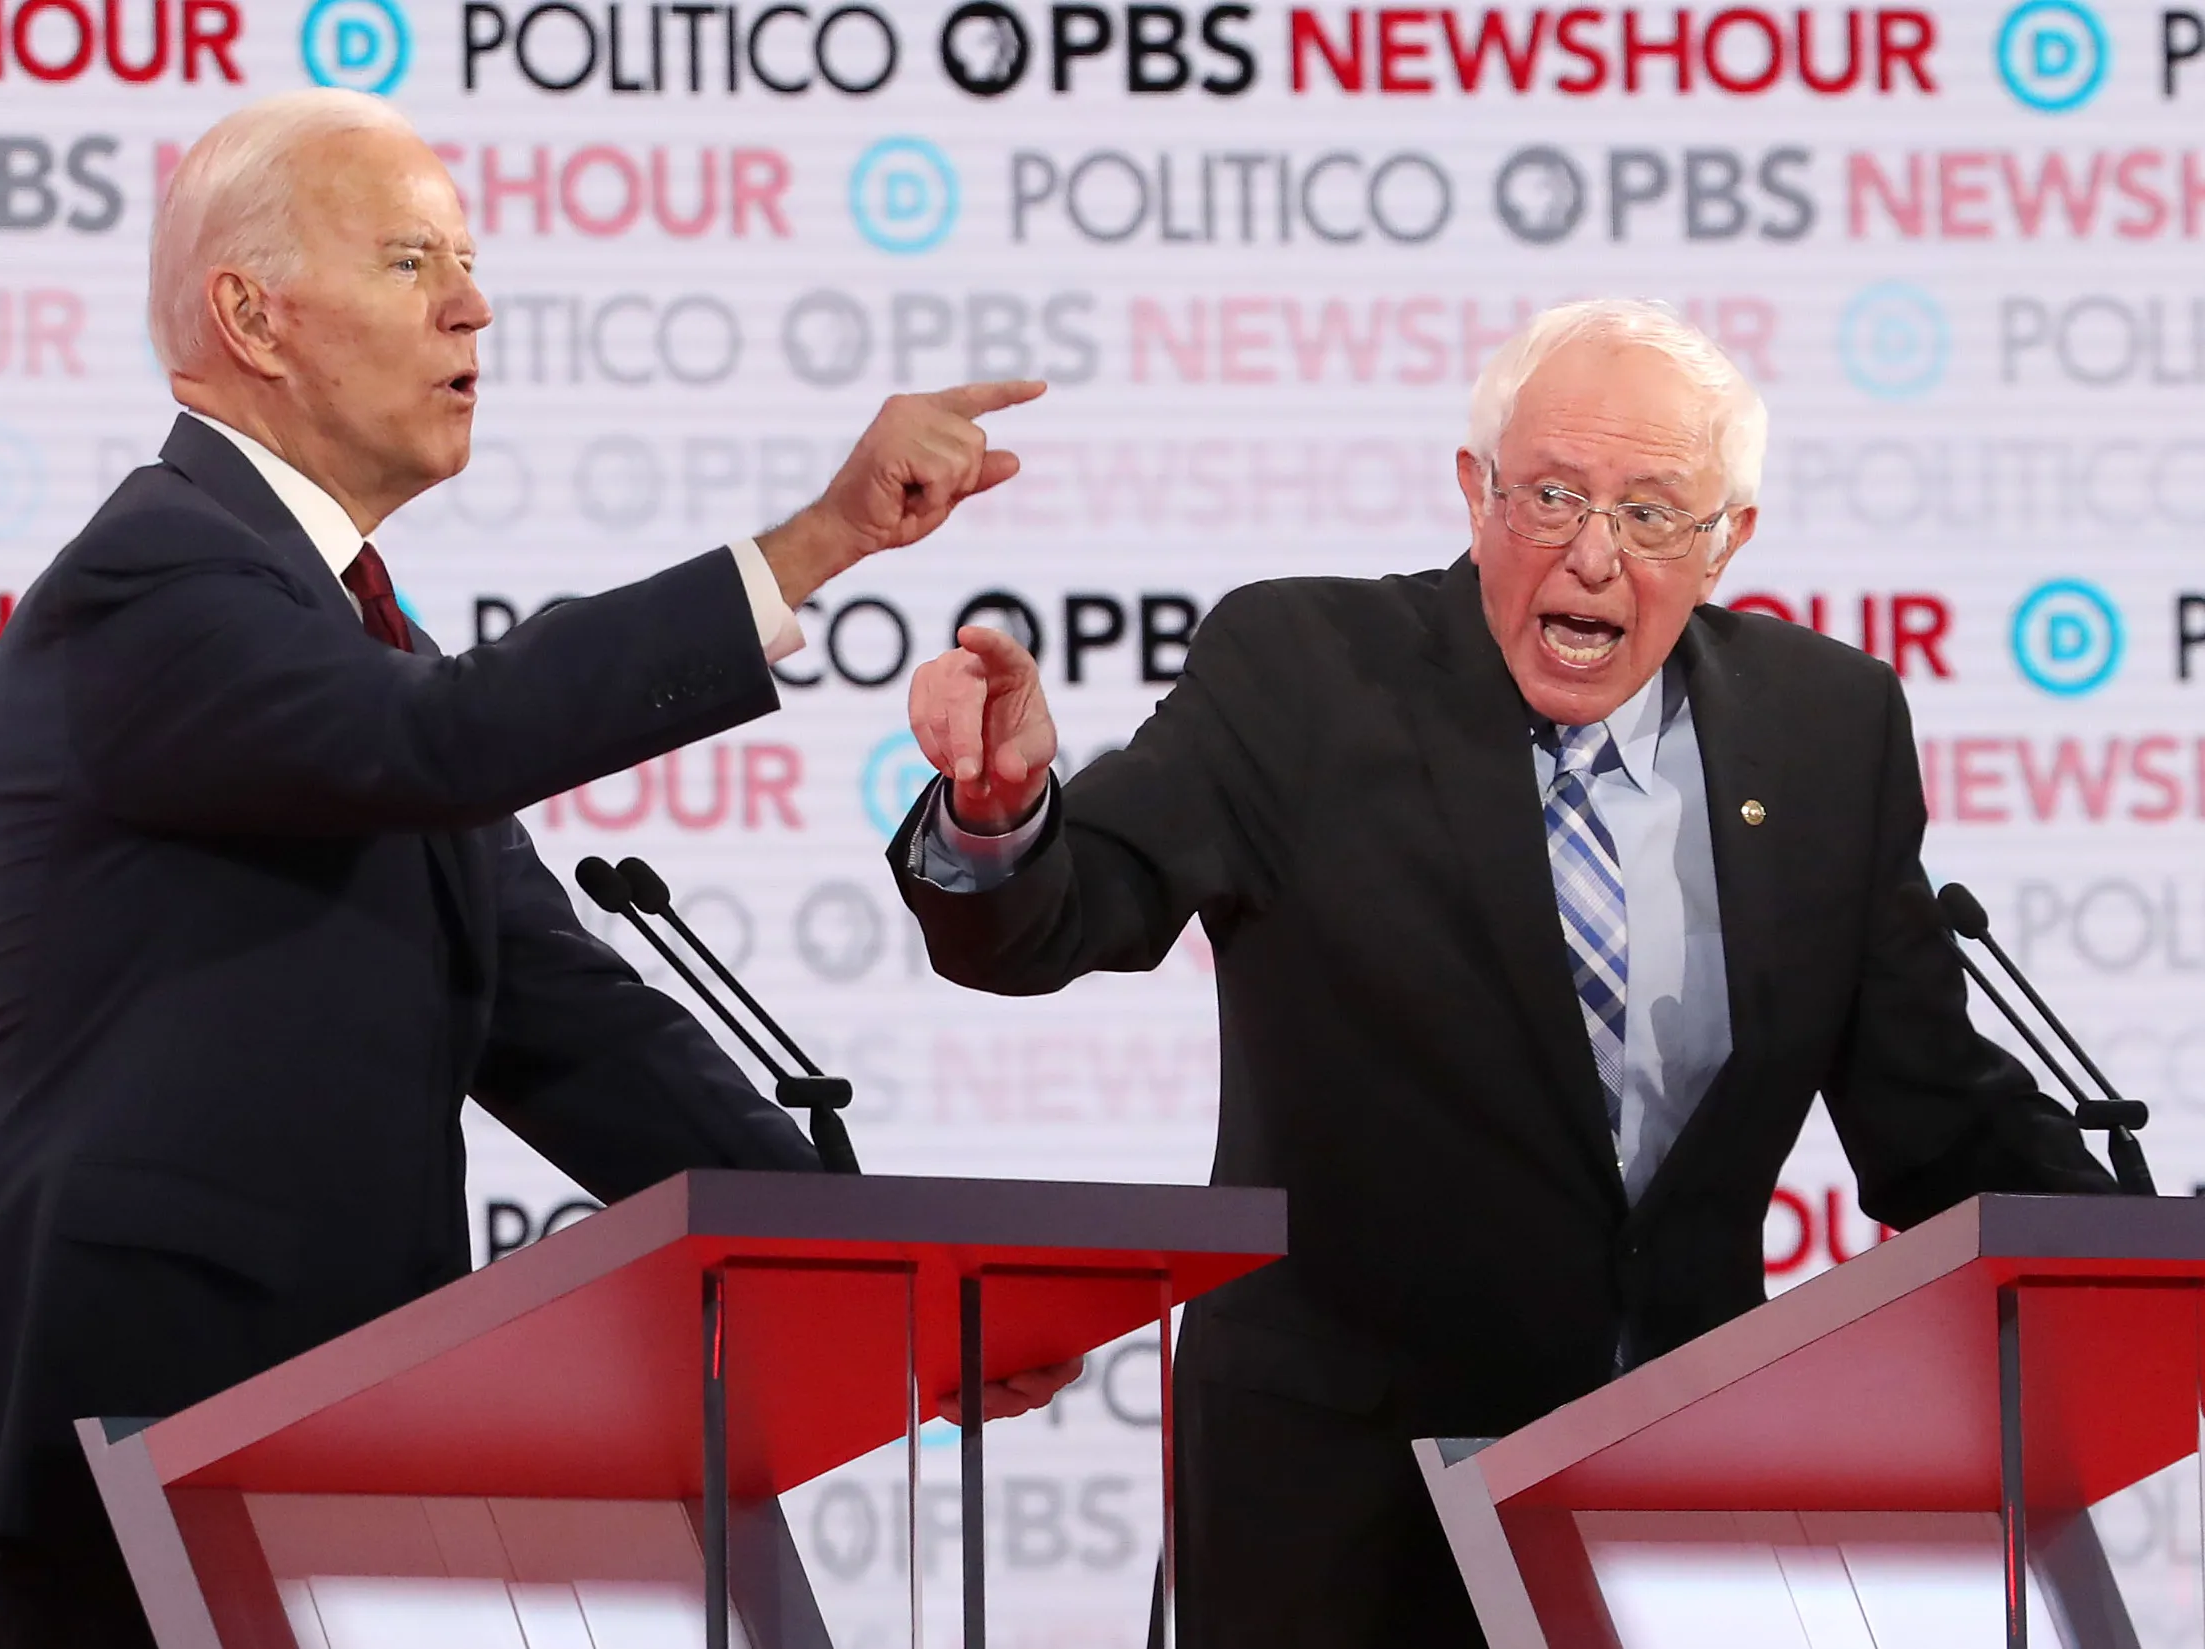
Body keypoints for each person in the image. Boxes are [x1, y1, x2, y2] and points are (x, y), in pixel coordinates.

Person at [0, 88, 1070, 1647]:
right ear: (252, 316)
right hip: (116, 1456)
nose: (473, 303)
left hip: (327, 1470)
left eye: (465, 258)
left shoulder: (337, 633)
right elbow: (441, 741)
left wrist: (889, 1287)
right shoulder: (153, 578)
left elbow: (563, 1020)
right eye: (407, 260)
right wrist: (808, 547)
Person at [887, 299, 2119, 1647]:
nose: (1592, 554)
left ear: (1725, 545)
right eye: (1550, 495)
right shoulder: (1307, 671)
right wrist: (1000, 814)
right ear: (1475, 494)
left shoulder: (1825, 726)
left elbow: (1931, 1107)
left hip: (1670, 1507)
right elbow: (1072, 913)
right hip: (1342, 1515)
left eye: (1652, 512)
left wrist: (2139, 1270)